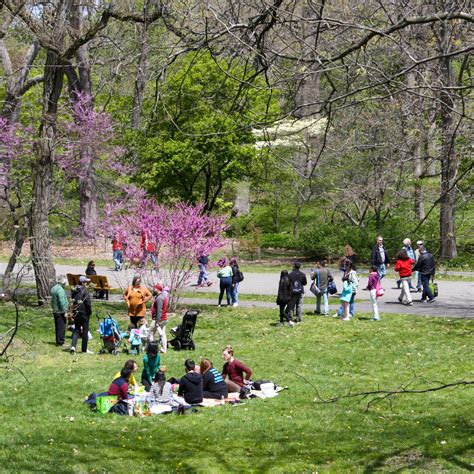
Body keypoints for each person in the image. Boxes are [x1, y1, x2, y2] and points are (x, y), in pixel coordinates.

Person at [70, 275, 93, 354]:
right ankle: (84, 349)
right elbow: (88, 303)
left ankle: (73, 346)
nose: (87, 284)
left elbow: (73, 301)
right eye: (86, 282)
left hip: (76, 312)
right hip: (84, 313)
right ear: (83, 283)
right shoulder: (85, 291)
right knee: (85, 331)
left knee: (76, 330)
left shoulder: (74, 290)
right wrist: (90, 312)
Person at [50, 275, 69, 346]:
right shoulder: (60, 290)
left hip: (55, 310)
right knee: (61, 326)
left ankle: (58, 340)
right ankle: (60, 341)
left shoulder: (54, 288)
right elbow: (61, 301)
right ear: (63, 282)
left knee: (57, 326)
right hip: (60, 311)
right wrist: (65, 310)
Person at [150, 283, 169, 353]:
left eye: (154, 288)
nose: (154, 290)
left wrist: (157, 322)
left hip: (158, 319)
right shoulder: (163, 296)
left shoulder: (159, 298)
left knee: (150, 333)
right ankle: (164, 349)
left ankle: (152, 349)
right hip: (163, 318)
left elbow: (159, 311)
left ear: (158, 289)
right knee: (163, 334)